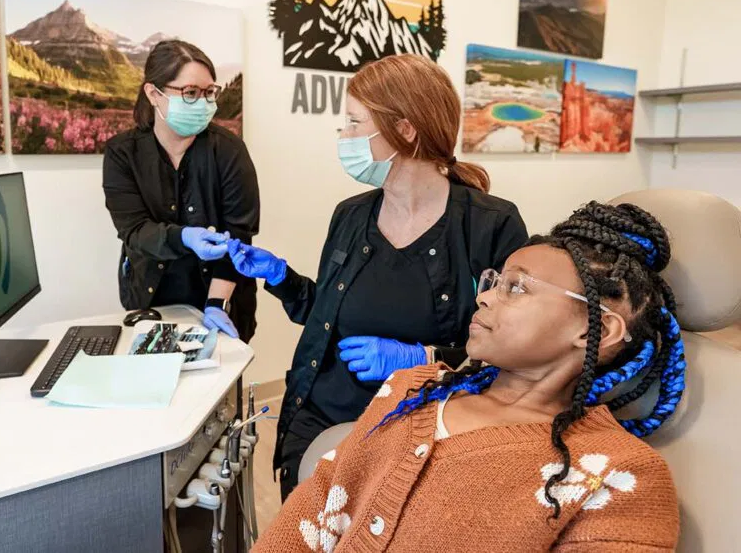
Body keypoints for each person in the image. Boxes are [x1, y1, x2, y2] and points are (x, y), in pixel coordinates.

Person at [254, 201, 684, 552]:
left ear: (596, 329)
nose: (484, 298)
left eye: (517, 287)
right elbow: (313, 508)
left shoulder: (617, 474)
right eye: (494, 281)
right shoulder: (411, 390)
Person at [228, 54, 528, 500]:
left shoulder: (490, 225)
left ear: (404, 130)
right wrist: (279, 277)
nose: (343, 137)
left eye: (353, 123)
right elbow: (328, 319)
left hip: (424, 426)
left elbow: (518, 348)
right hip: (321, 414)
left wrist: (426, 357)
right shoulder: (350, 216)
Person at [102, 40, 260, 341]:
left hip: (220, 296)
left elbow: (239, 236)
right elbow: (133, 230)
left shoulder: (228, 151)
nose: (203, 103)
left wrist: (216, 305)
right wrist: (184, 237)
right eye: (190, 93)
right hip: (151, 300)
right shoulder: (123, 154)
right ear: (153, 93)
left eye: (209, 92)